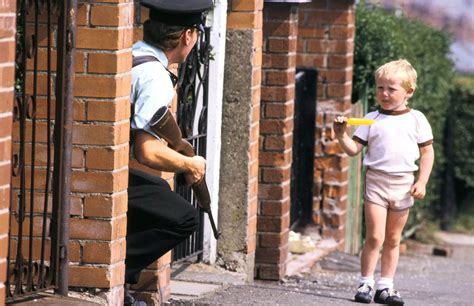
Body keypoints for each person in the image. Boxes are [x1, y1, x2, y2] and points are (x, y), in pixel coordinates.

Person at [125, 0, 212, 305]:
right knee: (183, 218)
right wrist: (190, 162)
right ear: (188, 36)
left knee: (157, 190)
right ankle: (116, 272)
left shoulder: (136, 52)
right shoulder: (156, 77)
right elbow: (147, 151)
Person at [333, 59, 435, 305]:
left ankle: (385, 287)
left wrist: (422, 182)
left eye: (391, 89)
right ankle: (365, 283)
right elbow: (353, 150)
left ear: (409, 91)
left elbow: (427, 153)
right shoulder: (371, 118)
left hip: (403, 185)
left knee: (392, 239)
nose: (384, 94)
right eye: (380, 88)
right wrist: (340, 135)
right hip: (376, 183)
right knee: (375, 237)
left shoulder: (417, 119)